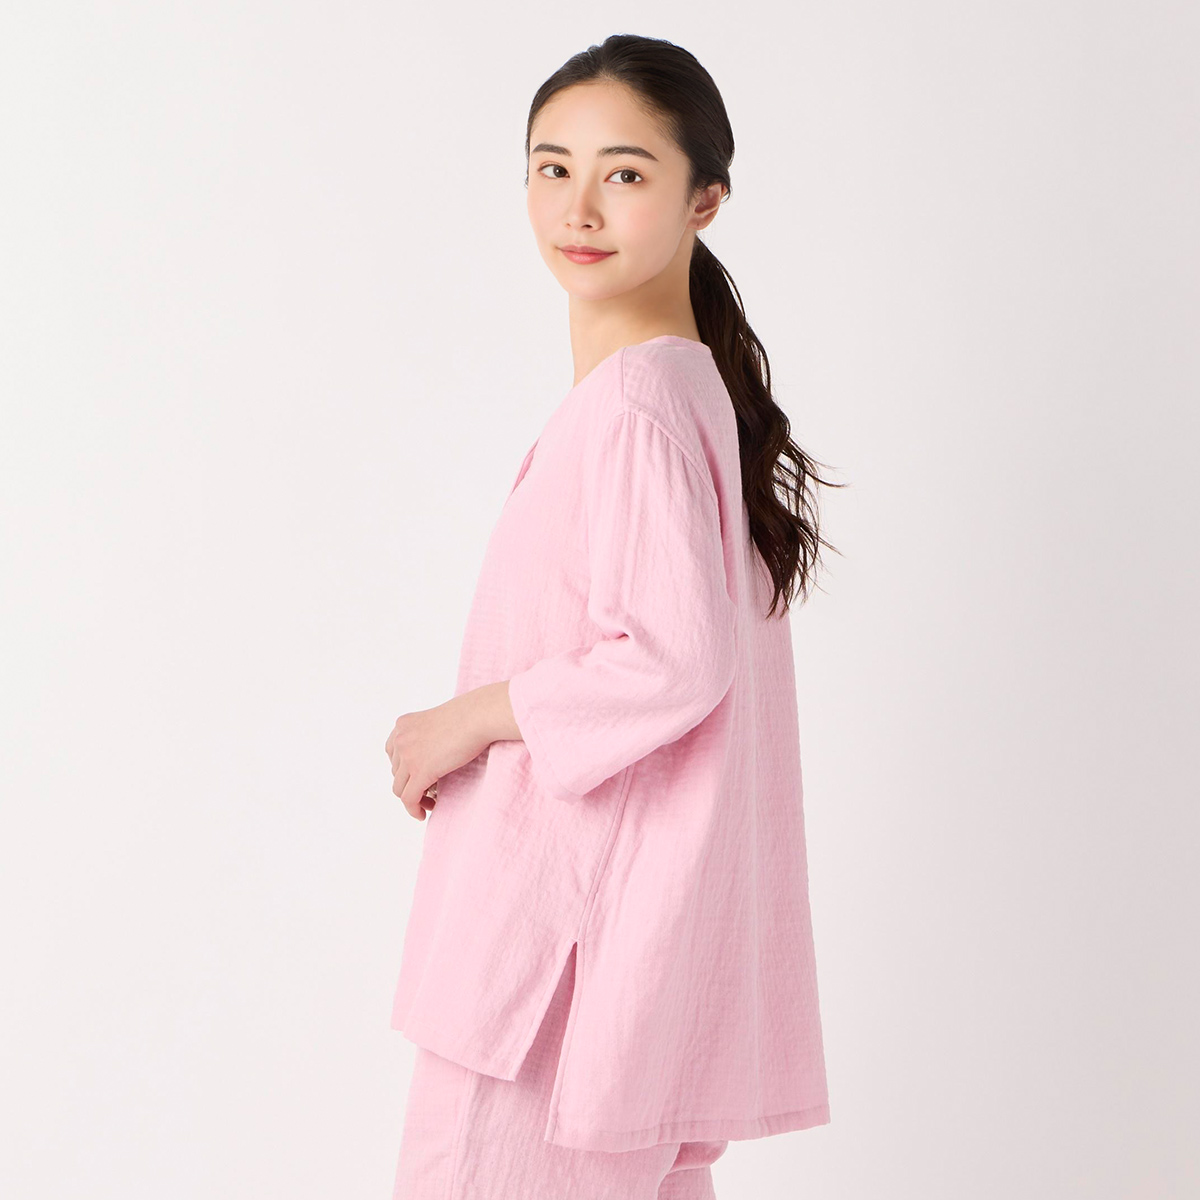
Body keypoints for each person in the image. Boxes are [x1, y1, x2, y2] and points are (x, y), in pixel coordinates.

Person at [383, 32, 842, 1200]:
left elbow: (672, 660)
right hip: (613, 967)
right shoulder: (680, 392)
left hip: (556, 969)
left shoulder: (638, 403)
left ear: (705, 199)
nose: (577, 208)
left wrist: (463, 721)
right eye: (552, 168)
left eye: (624, 173)